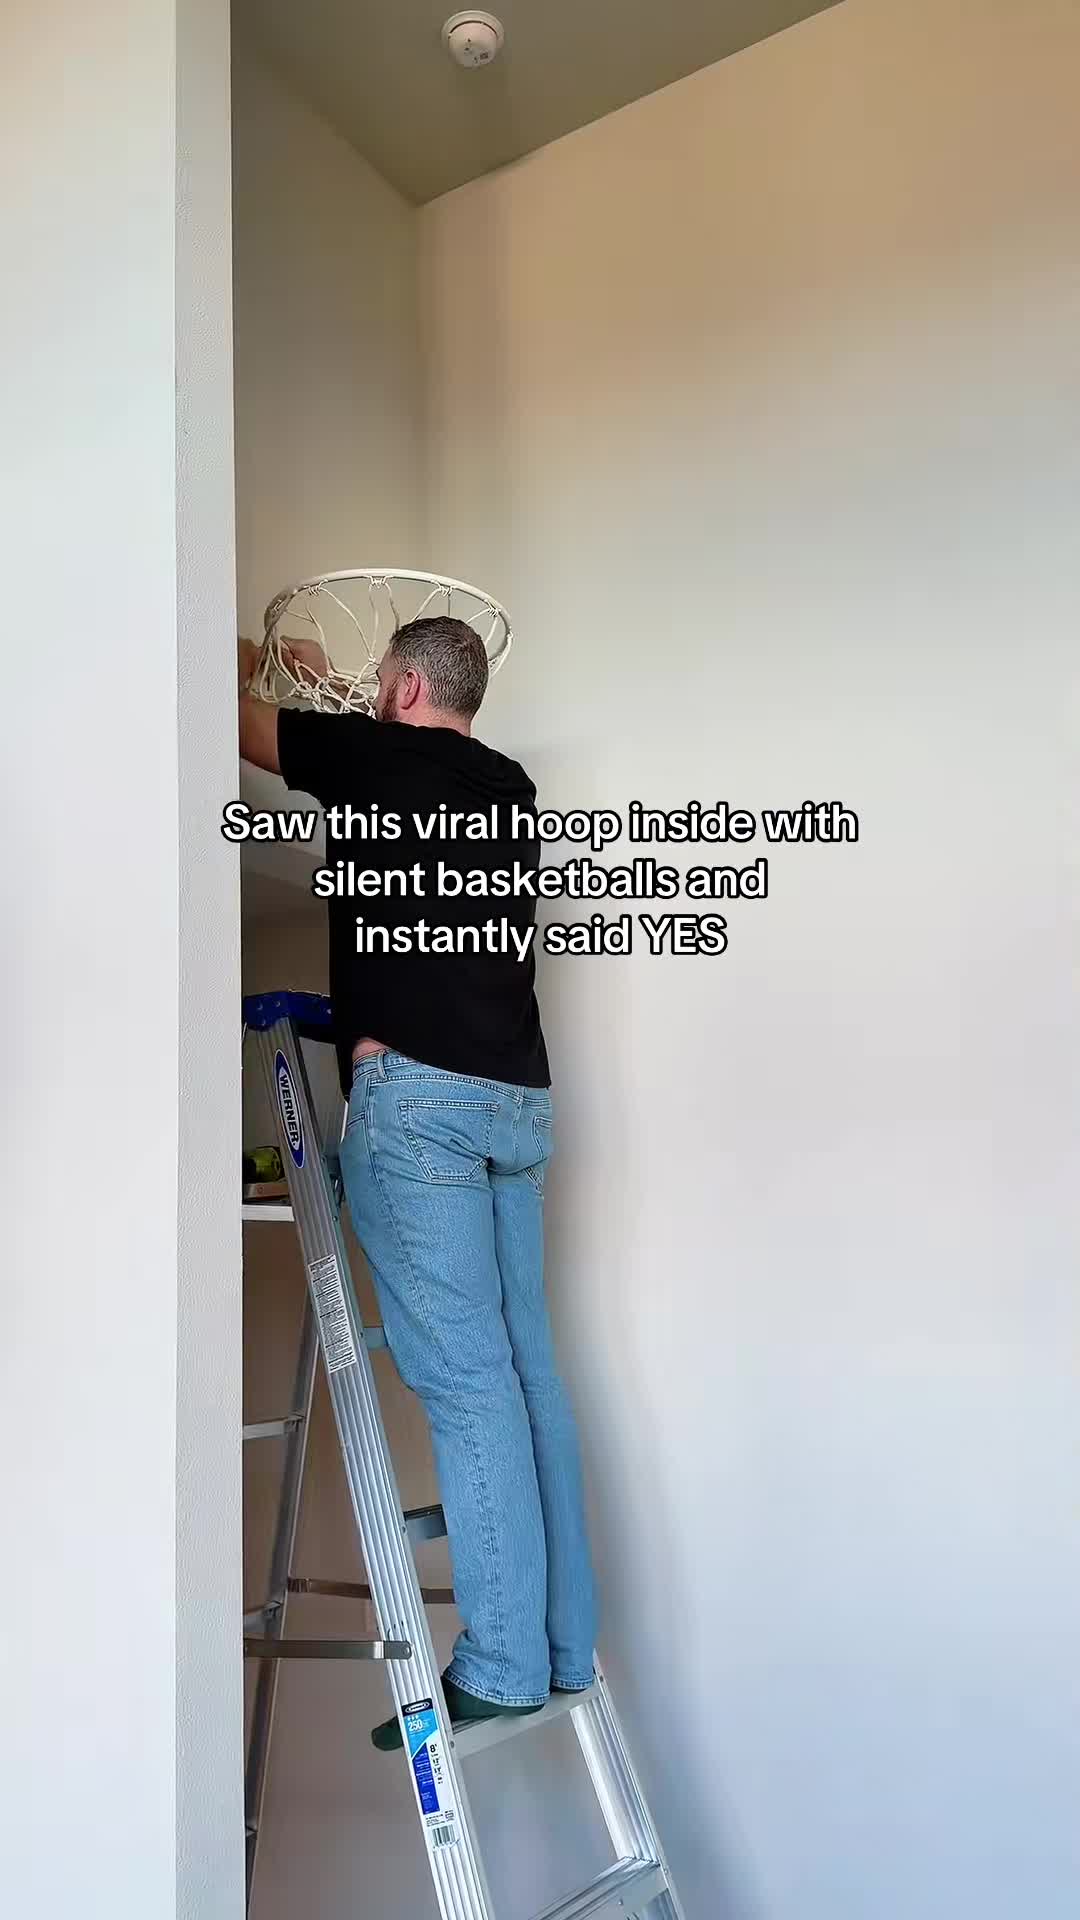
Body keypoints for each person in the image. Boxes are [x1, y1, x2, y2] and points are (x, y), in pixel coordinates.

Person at [238, 617, 597, 1747]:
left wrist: (224, 646)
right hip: (516, 1105)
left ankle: (496, 1664)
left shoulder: (374, 760)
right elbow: (384, 754)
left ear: (397, 687)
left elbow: (240, 730)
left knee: (468, 1385)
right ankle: (560, 1646)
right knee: (529, 1373)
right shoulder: (508, 784)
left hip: (424, 1109)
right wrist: (329, 689)